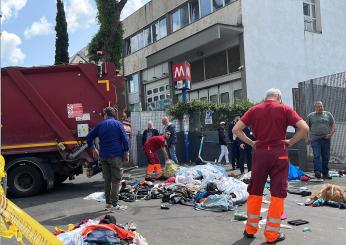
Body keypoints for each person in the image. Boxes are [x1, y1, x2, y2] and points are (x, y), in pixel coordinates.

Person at [232, 88, 309, 244]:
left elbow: (236, 130)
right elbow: (304, 128)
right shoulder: (285, 109)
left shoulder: (254, 110)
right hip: (279, 153)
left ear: (265, 97)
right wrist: (291, 141)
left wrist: (252, 143)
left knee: (255, 190)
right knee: (278, 192)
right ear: (279, 98)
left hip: (260, 154)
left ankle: (250, 229)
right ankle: (272, 235)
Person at [87, 107, 129, 212]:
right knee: (116, 180)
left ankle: (108, 204)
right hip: (115, 155)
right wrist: (126, 152)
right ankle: (114, 205)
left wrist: (93, 149)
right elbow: (125, 139)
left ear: (106, 114)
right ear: (114, 115)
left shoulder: (100, 125)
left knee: (107, 180)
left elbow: (89, 137)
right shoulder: (118, 124)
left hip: (103, 156)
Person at [306, 101, 336, 179]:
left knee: (326, 156)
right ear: (315, 108)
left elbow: (333, 126)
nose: (320, 108)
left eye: (321, 106)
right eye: (318, 107)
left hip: (326, 138)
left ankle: (325, 173)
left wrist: (330, 134)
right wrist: (307, 138)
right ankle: (317, 172)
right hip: (315, 139)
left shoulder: (328, 114)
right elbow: (306, 128)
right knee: (317, 155)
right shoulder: (311, 116)